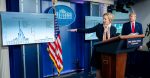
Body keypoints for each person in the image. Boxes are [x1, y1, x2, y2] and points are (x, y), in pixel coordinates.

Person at [69, 13, 117, 78]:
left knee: (107, 66)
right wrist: (77, 30)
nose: (104, 20)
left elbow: (113, 39)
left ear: (110, 20)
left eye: (105, 19)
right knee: (98, 66)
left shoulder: (113, 28)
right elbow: (88, 30)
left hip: (108, 51)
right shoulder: (99, 26)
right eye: (103, 19)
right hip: (99, 50)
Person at [121, 12, 143, 77]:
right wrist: (128, 35)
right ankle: (128, 74)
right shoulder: (125, 25)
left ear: (135, 17)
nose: (131, 17)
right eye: (130, 16)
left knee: (135, 60)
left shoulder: (139, 25)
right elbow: (122, 35)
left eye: (132, 16)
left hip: (136, 45)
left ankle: (134, 74)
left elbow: (141, 35)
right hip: (127, 45)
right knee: (128, 61)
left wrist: (141, 44)